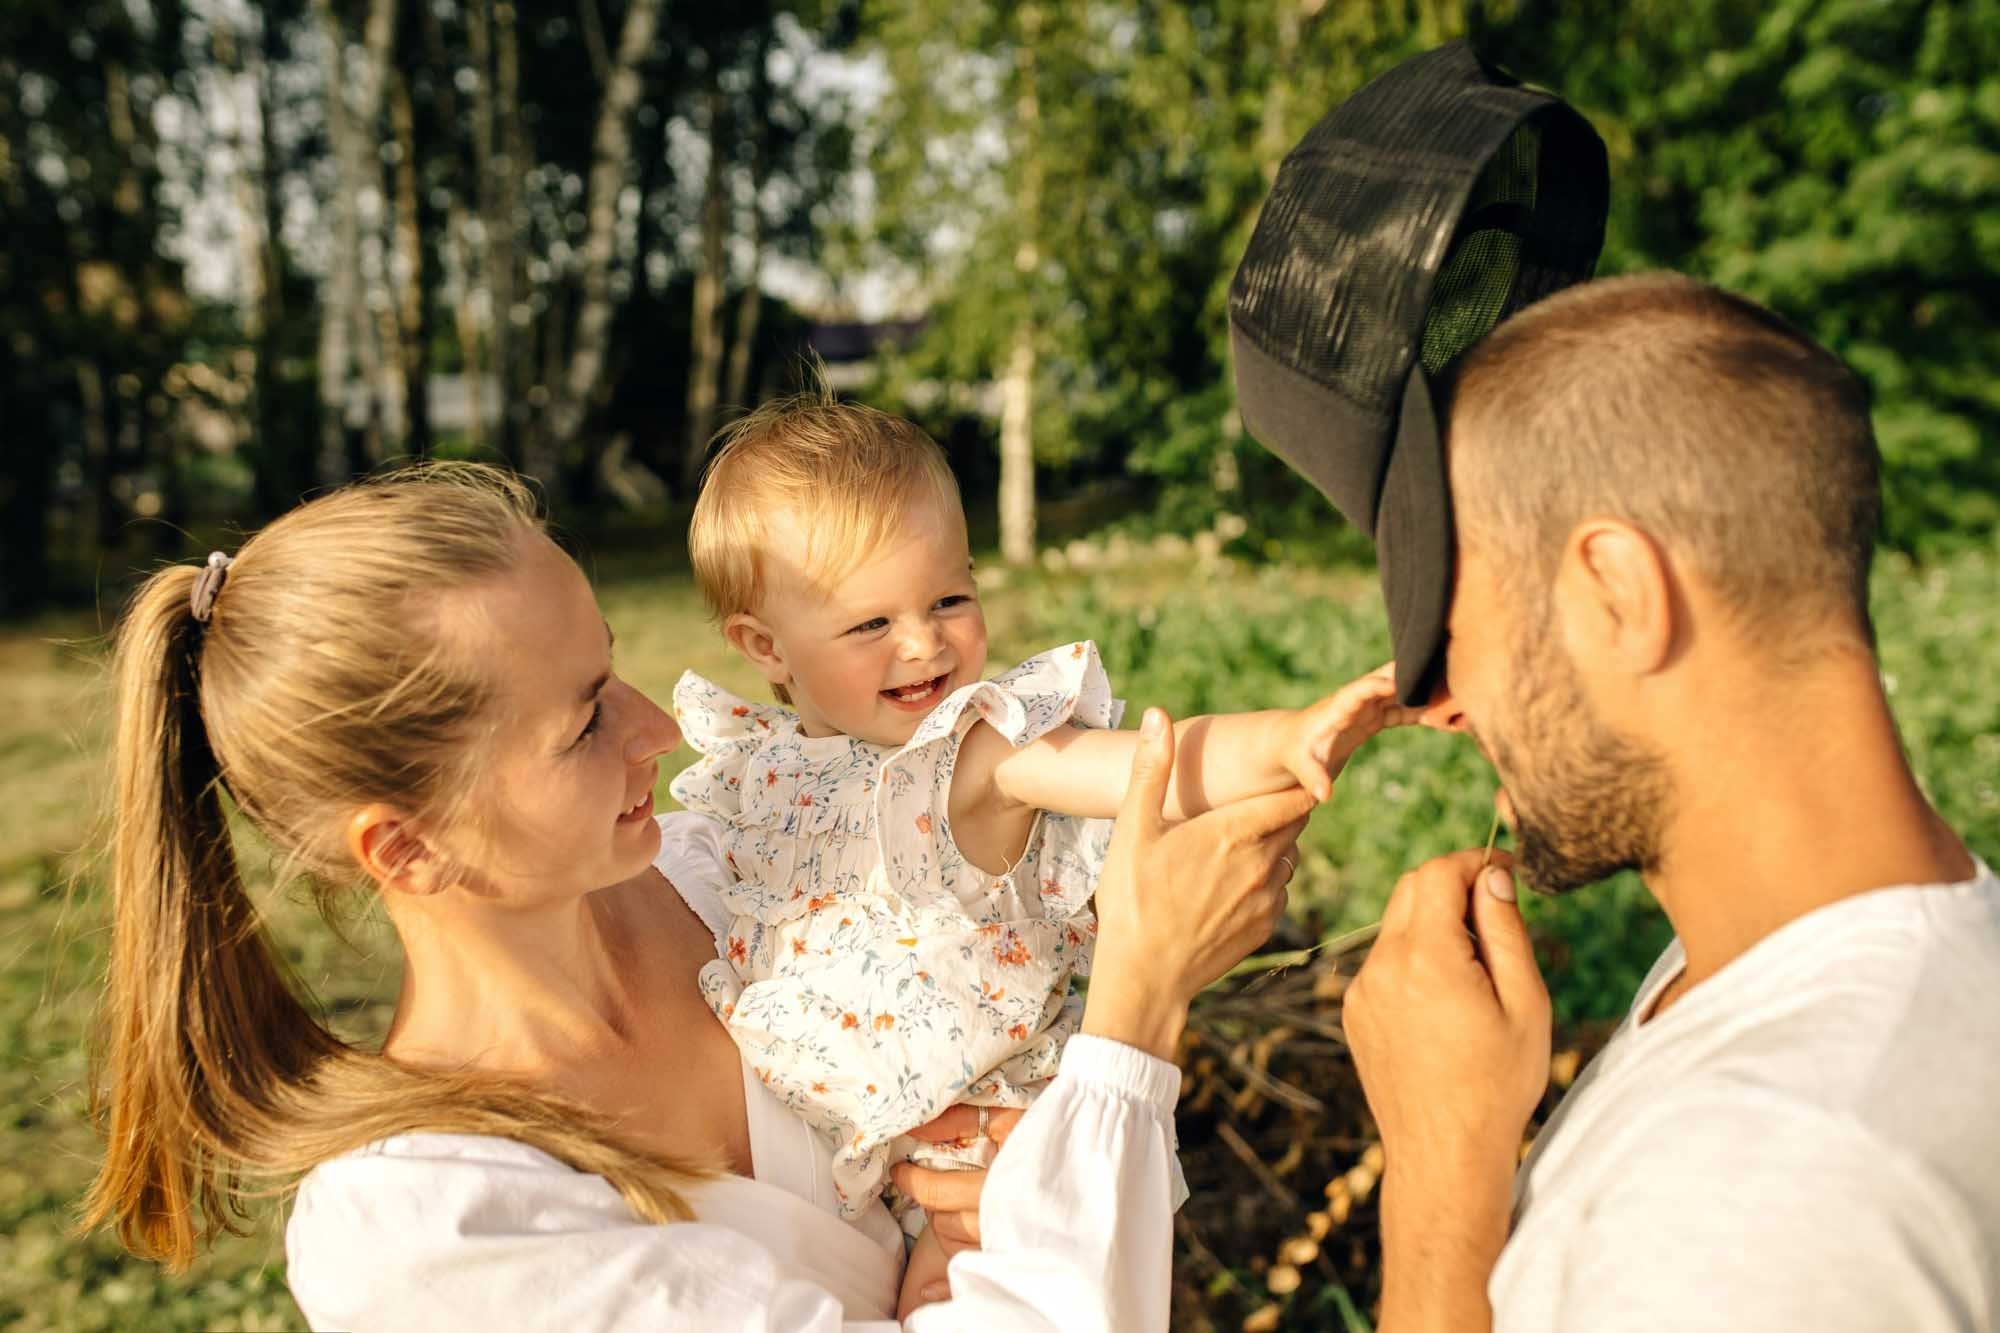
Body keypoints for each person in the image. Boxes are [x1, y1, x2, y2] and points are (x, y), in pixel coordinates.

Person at [81, 460, 1318, 1330]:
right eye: (580, 725)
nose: (657, 730)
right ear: (404, 851)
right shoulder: (431, 1234)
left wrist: (1031, 1166)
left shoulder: (732, 866)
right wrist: (1134, 1014)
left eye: (610, 667)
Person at [1337, 273, 1996, 1331]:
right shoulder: (1767, 963)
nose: (1444, 705)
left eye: (1459, 630)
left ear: (1617, 594)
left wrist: (1438, 1172)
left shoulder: (1777, 1188)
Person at [670, 389, 1416, 1298]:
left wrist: (1291, 736)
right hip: (846, 1157)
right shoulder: (764, 771)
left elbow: (1142, 766)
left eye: (949, 597)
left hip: (993, 1137)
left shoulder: (972, 753)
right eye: (871, 622)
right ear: (765, 645)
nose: (922, 643)